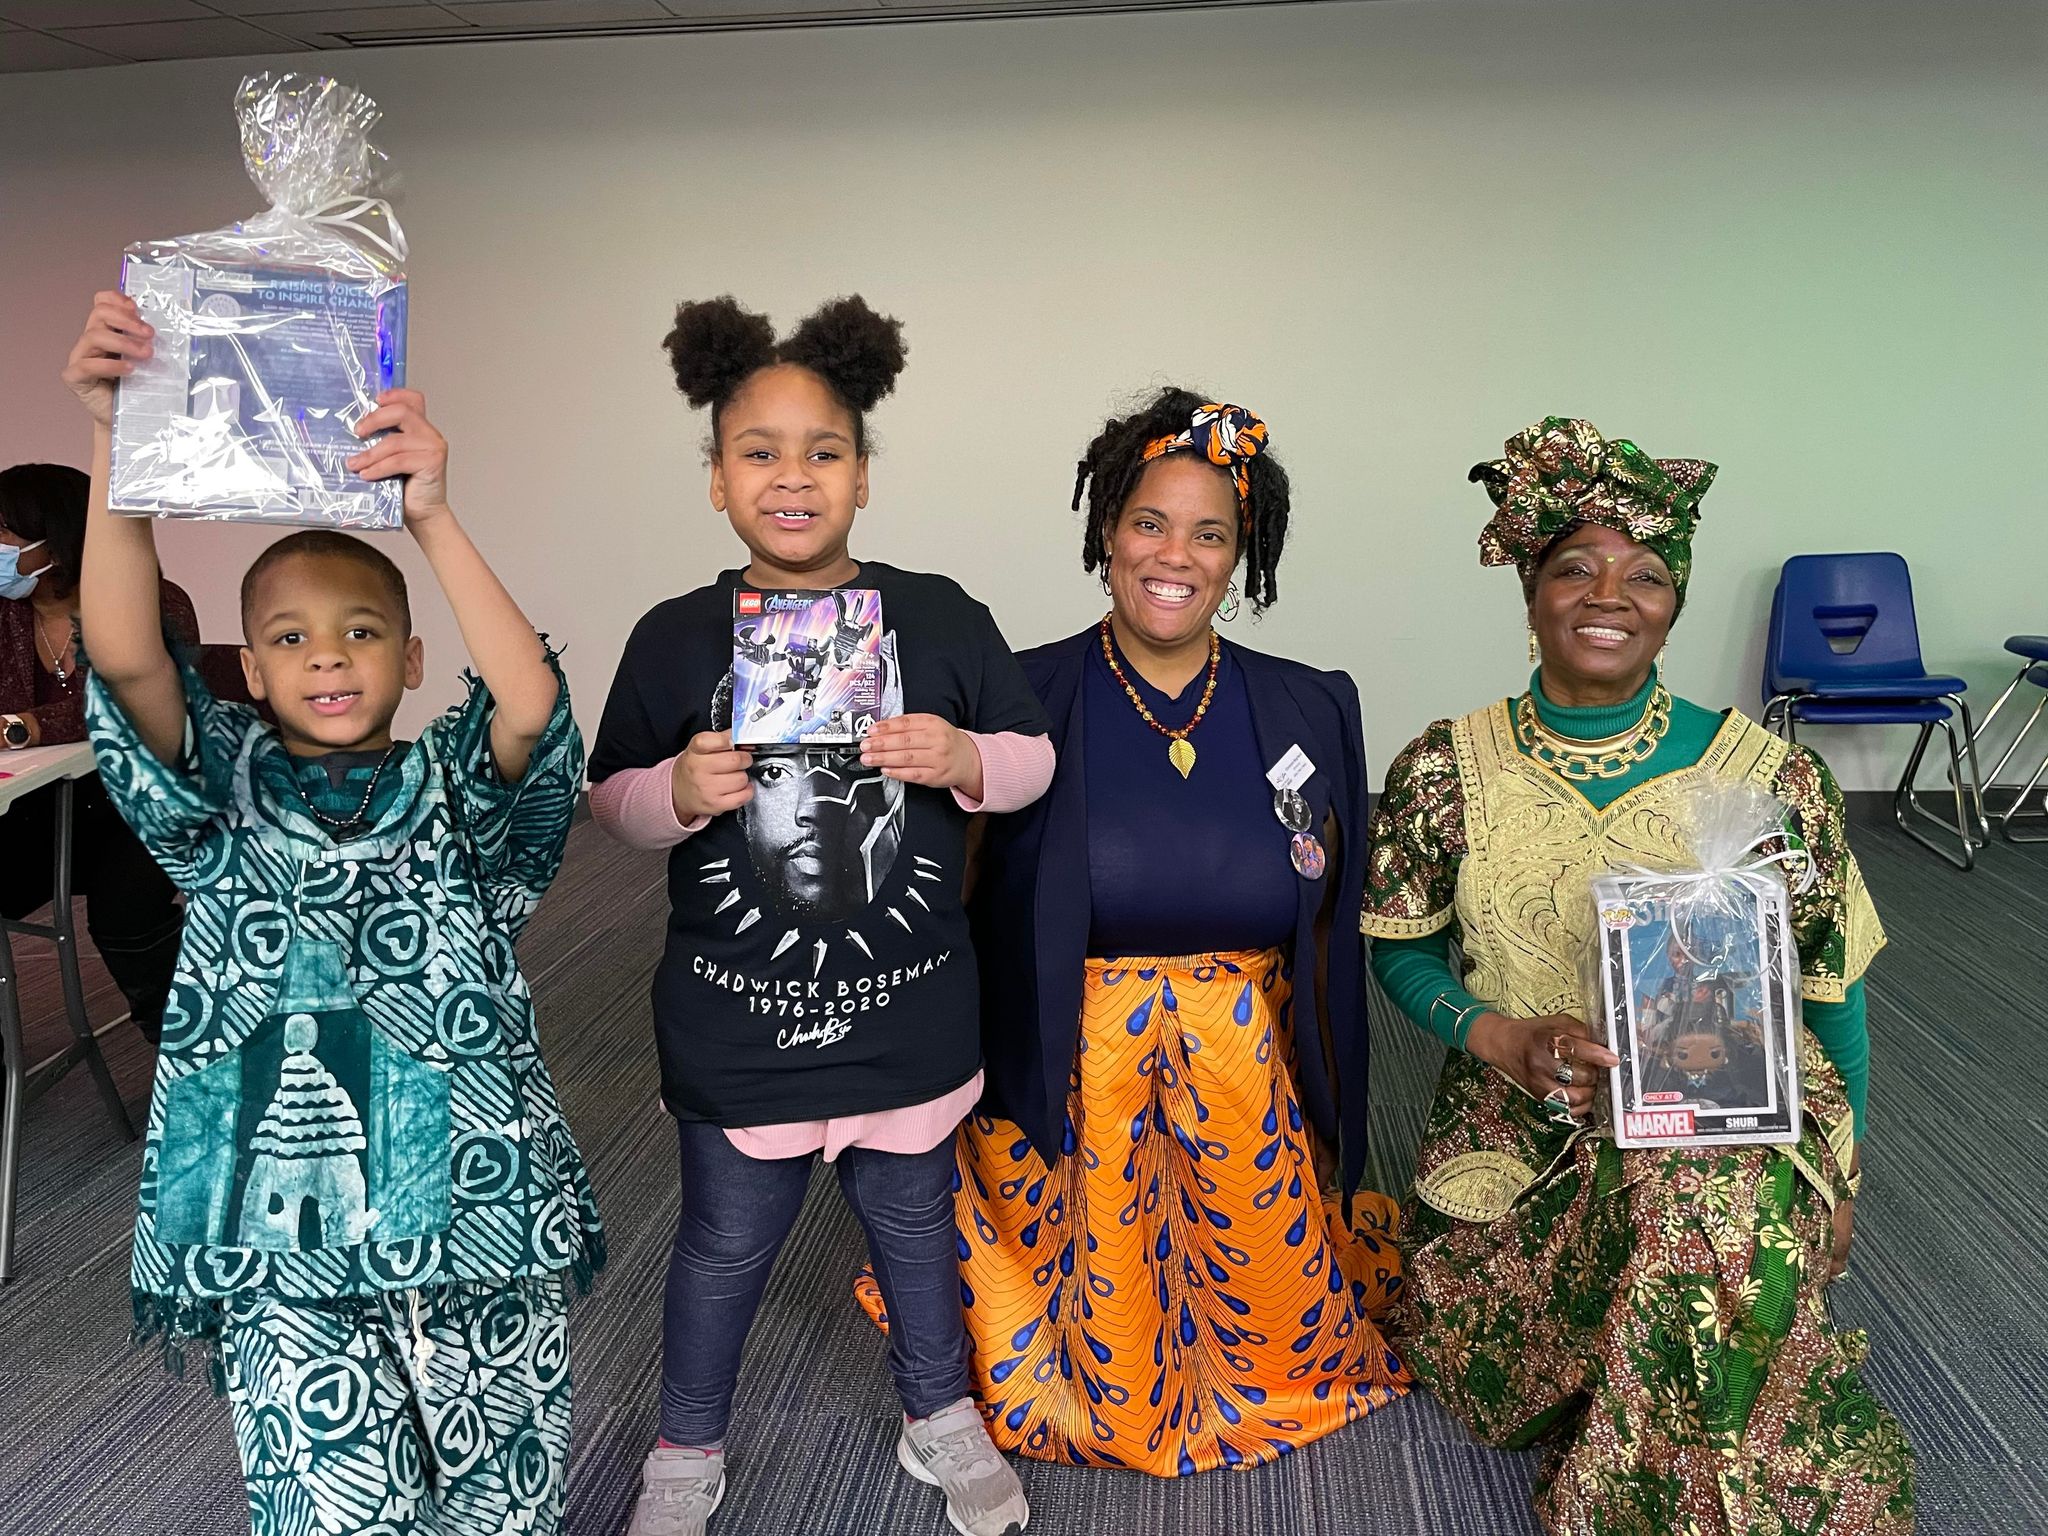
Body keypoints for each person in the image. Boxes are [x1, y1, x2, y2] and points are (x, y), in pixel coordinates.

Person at [62, 291, 603, 1536]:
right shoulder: (217, 796)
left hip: (477, 1199)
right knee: (328, 1492)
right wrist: (116, 446)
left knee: (500, 1486)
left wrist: (432, 516)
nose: (327, 657)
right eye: (290, 638)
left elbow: (528, 707)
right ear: (247, 672)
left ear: (410, 660)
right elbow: (127, 656)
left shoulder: (452, 793)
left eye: (363, 633)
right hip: (279, 1205)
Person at [1361, 416, 1913, 1534]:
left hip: (1726, 1128)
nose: (1608, 595)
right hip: (1530, 1126)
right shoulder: (1443, 766)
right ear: (1528, 593)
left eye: (1644, 575)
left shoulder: (1767, 779)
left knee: (1697, 1195)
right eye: (1573, 567)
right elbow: (1399, 944)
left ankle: (1658, 1495)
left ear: (1672, 603)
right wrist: (1491, 1035)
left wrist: (1841, 1174)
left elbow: (1826, 995)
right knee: (1640, 1301)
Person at [588, 295, 1053, 1536]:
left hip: (904, 1010)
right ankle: (686, 1446)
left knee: (914, 1231)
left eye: (824, 451)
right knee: (723, 1246)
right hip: (742, 1022)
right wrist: (675, 793)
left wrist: (959, 754)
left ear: (862, 476)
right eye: (758, 450)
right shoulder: (674, 635)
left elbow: (1032, 763)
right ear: (714, 481)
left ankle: (936, 1413)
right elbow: (611, 804)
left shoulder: (938, 615)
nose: (792, 477)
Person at [935, 388, 1407, 1476]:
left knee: (1285, 1329)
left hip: (1248, 1082)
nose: (1174, 556)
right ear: (1106, 531)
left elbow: (1335, 926)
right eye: (1149, 522)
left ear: (1241, 559)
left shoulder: (1310, 704)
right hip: (1071, 1083)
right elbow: (960, 901)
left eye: (1210, 534)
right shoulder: (1020, 695)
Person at [1, 461, 194, 1041]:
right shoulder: (7, 611)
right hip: (36, 810)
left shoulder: (152, 601)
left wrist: (28, 727)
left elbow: (133, 701)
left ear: (54, 542)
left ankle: (186, 1057)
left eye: (5, 535)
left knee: (127, 912)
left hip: (138, 803)